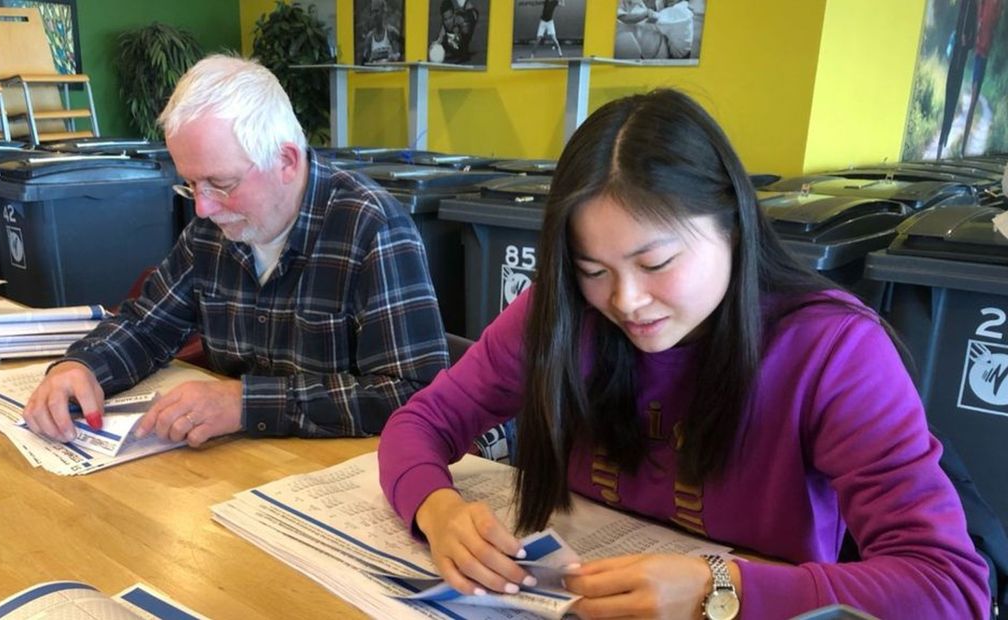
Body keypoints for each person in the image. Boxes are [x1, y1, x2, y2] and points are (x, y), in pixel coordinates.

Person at [378, 90, 990, 618]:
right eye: (593, 269)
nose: (626, 300)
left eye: (657, 262)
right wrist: (437, 509)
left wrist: (720, 590)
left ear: (731, 223)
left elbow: (947, 588)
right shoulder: (562, 314)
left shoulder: (832, 351)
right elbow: (421, 421)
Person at [23, 54, 448, 447]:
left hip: (344, 479)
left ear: (285, 160)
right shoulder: (213, 231)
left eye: (220, 185)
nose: (203, 209)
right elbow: (147, 326)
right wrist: (80, 368)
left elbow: (412, 393)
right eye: (191, 185)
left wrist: (246, 404)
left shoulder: (371, 227)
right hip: (232, 468)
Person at [937, 0, 979, 160]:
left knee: (953, 100)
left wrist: (965, 41)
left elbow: (972, 40)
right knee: (948, 99)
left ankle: (945, 138)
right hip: (954, 57)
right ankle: (942, 140)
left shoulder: (973, 6)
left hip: (960, 62)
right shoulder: (963, 4)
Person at [961, 0, 1001, 155]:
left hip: (981, 53)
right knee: (972, 100)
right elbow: (984, 19)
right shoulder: (992, 4)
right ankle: (963, 147)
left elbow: (989, 21)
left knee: (973, 100)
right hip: (979, 51)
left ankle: (963, 147)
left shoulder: (995, 4)